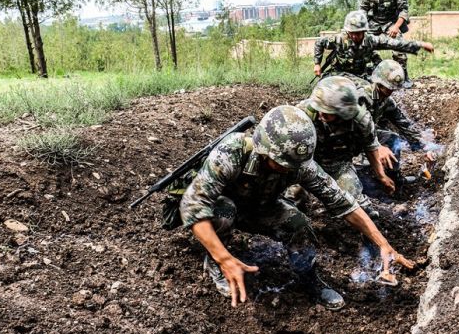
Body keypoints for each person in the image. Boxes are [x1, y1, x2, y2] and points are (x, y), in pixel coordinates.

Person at [179, 105, 414, 310]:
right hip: (225, 208)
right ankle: (215, 261)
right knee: (223, 211)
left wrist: (383, 244)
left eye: (294, 166)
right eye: (281, 164)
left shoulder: (299, 165)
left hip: (260, 208)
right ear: (264, 149)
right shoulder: (233, 151)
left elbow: (342, 202)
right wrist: (225, 258)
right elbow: (192, 206)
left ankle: (310, 279)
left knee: (299, 224)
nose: (289, 170)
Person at [296, 76, 397, 218]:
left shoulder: (361, 121)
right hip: (306, 163)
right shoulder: (303, 112)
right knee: (293, 198)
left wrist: (382, 176)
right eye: (320, 109)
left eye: (327, 113)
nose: (321, 115)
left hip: (338, 165)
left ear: (344, 112)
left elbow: (370, 147)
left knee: (360, 207)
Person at [357, 60, 436, 187]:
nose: (391, 91)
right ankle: (368, 182)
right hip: (349, 136)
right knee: (366, 166)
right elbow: (356, 127)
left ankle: (394, 178)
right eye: (388, 87)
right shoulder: (363, 96)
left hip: (367, 134)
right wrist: (376, 146)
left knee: (392, 138)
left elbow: (404, 124)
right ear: (379, 81)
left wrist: (425, 147)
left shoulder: (386, 100)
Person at [313, 10, 433, 81]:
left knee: (374, 94)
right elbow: (319, 42)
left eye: (358, 33)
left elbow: (395, 44)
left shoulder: (371, 40)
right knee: (322, 91)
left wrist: (420, 44)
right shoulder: (339, 39)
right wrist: (317, 64)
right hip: (337, 74)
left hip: (360, 76)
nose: (355, 37)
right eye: (352, 33)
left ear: (364, 31)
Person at [359, 0, 424, 85]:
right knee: (363, 46)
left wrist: (396, 27)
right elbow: (363, 10)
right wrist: (362, 28)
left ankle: (403, 78)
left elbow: (403, 11)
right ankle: (368, 76)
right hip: (373, 23)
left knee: (399, 46)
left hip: (391, 23)